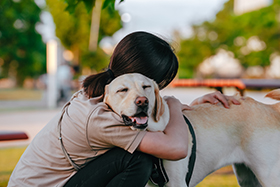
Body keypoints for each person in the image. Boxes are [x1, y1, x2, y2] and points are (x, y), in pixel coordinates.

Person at [8, 31, 240, 187]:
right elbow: (177, 147)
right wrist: (174, 105)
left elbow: (156, 114)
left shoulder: (102, 94)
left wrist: (194, 105)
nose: (149, 96)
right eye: (154, 86)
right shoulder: (102, 119)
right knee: (137, 159)